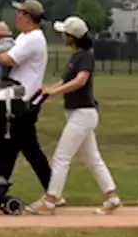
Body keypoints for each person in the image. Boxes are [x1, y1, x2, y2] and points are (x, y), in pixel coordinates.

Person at [26, 16, 123, 215]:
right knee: (92, 158)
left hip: (83, 113)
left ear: (72, 37)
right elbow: (63, 81)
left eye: (64, 33)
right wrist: (46, 89)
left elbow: (80, 81)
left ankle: (50, 200)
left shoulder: (86, 56)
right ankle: (112, 197)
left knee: (62, 157)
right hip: (78, 114)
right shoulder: (76, 56)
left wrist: (54, 92)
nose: (61, 36)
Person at [0, 0, 56, 199]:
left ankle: (53, 192)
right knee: (14, 144)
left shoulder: (33, 38)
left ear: (27, 16)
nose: (17, 16)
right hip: (19, 100)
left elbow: (7, 59)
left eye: (20, 13)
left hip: (25, 101)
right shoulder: (25, 37)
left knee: (25, 147)